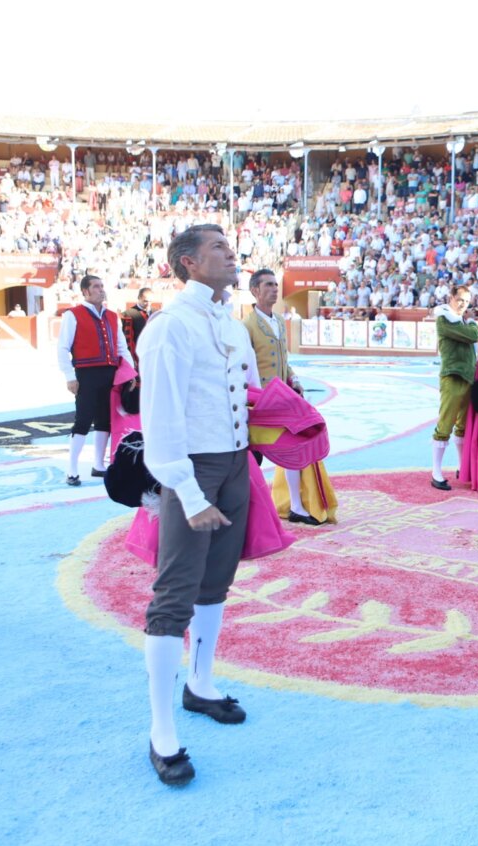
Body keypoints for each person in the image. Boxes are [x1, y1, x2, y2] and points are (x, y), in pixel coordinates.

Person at [138, 224, 260, 786]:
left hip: (235, 464)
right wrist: (186, 492)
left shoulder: (228, 322)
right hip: (194, 469)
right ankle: (162, 730)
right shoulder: (170, 326)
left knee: (216, 584)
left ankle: (200, 684)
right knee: (173, 596)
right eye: (217, 248)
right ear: (187, 263)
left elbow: (249, 396)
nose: (230, 255)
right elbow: (161, 420)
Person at [243, 268, 335, 525]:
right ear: (255, 290)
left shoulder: (277, 322)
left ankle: (294, 505)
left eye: (275, 284)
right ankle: (275, 506)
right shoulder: (247, 326)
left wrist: (292, 377)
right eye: (268, 285)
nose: (274, 289)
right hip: (260, 402)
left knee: (293, 446)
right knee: (256, 456)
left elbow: (284, 361)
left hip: (281, 399)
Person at [57, 275, 134, 486]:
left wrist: (131, 374)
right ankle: (72, 469)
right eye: (96, 287)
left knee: (105, 420)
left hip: (110, 373)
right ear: (85, 291)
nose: (101, 290)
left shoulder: (112, 316)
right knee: (82, 420)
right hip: (86, 373)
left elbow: (121, 348)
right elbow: (63, 348)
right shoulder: (72, 315)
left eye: (102, 286)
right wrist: (69, 376)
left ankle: (99, 464)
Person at [431, 286, 478, 490]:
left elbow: (473, 333)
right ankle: (436, 471)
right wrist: (471, 327)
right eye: (460, 300)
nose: (463, 305)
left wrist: (470, 327)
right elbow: (473, 334)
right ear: (451, 298)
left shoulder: (460, 321)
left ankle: (462, 466)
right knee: (445, 424)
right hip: (452, 375)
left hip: (467, 376)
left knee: (463, 425)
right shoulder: (443, 319)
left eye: (467, 302)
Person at [122, 287, 154, 358]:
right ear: (139, 298)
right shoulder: (128, 314)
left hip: (153, 352)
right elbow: (128, 339)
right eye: (145, 301)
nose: (148, 304)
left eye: (150, 301)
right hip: (138, 354)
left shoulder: (157, 313)